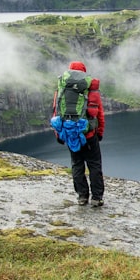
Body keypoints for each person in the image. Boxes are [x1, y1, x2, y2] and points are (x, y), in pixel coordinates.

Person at [52, 61, 106, 206]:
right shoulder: (89, 88)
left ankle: (82, 197)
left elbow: (56, 112)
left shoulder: (62, 87)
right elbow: (99, 114)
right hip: (88, 134)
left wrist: (59, 134)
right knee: (94, 165)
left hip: (71, 134)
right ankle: (96, 198)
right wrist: (99, 133)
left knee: (77, 164)